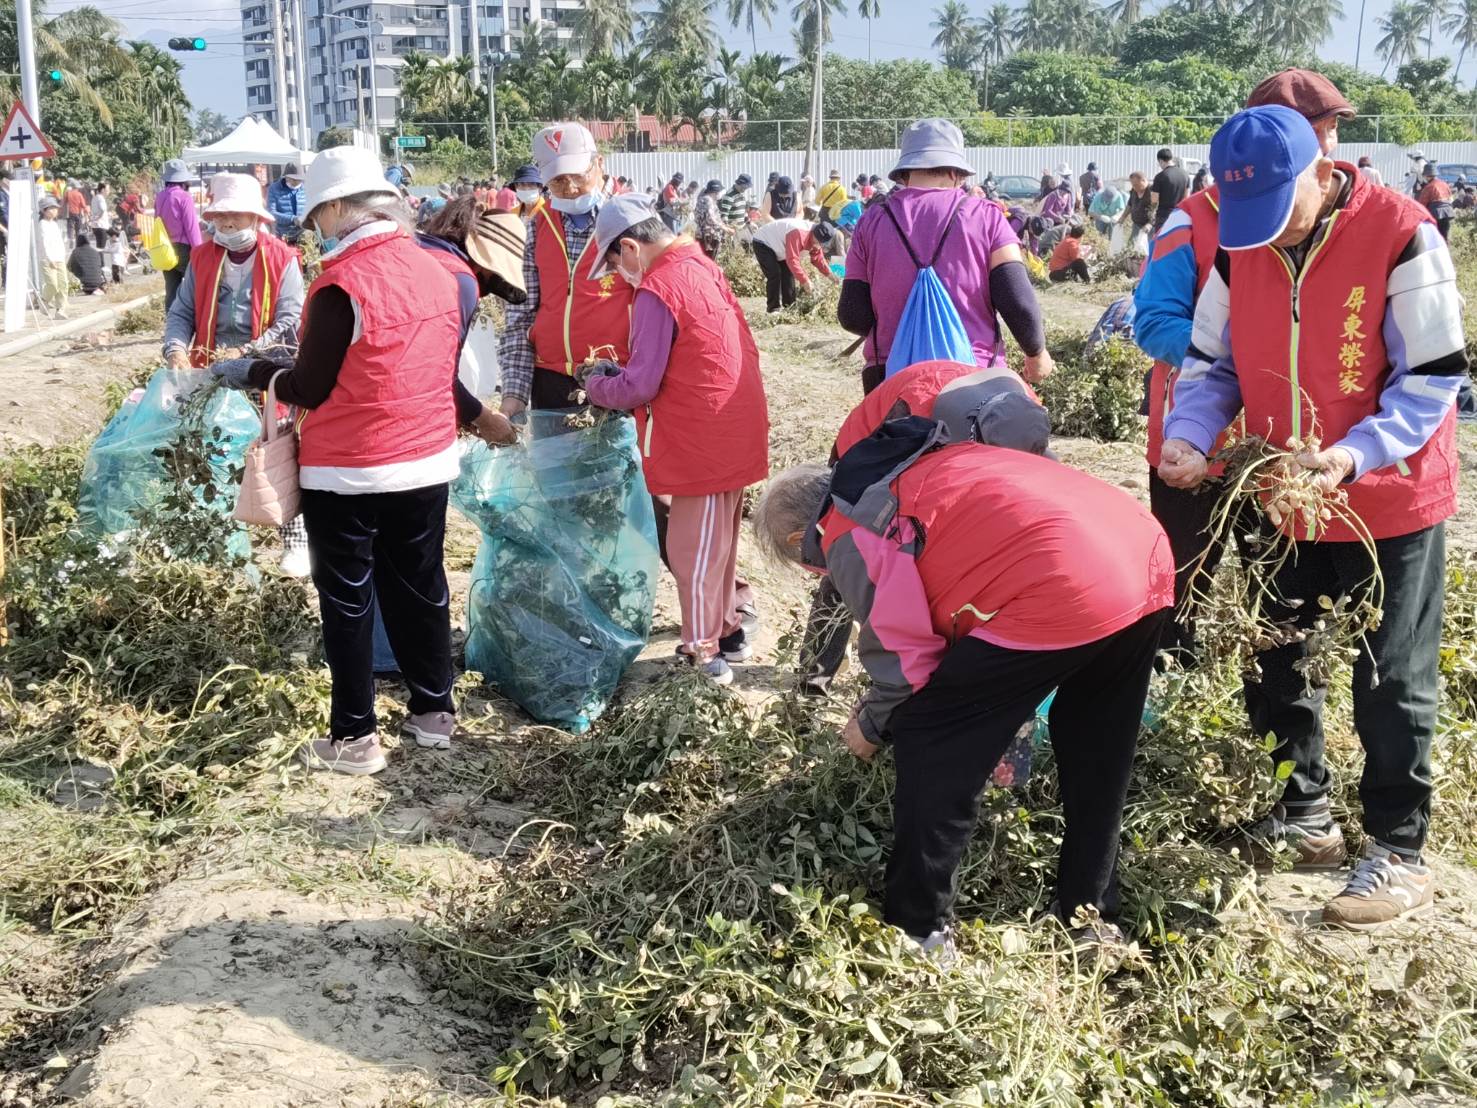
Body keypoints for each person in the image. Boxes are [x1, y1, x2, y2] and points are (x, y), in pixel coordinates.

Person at [1160, 106, 1468, 928]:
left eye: (1280, 207)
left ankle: (1397, 849)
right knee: (1272, 658)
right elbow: (1208, 364)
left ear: (1322, 169)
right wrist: (1188, 437)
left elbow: (1433, 379)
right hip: (1276, 490)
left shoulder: (1403, 235)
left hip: (1383, 497)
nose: (1265, 234)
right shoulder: (1239, 245)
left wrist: (1350, 454)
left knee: (1389, 676)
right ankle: (1305, 815)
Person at [755, 426, 1174, 956]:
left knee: (930, 737)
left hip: (1064, 578)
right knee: (1097, 744)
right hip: (1141, 550)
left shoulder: (846, 527)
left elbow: (906, 664)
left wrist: (870, 724)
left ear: (799, 542)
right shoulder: (910, 467)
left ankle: (917, 929)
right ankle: (1089, 914)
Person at [209, 146, 469, 775]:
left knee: (348, 599)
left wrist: (257, 373)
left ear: (335, 209)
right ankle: (434, 711)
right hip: (427, 459)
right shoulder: (437, 268)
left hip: (349, 468)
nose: (317, 229)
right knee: (422, 584)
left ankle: (354, 738)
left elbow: (311, 388)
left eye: (319, 215)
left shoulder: (339, 286)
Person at [1136, 66, 1354, 662]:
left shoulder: (1335, 221)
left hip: (1283, 451)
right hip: (1193, 447)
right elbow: (1153, 321)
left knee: (1277, 599)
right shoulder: (1193, 220)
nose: (1326, 144)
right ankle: (1170, 691)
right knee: (1182, 588)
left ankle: (1260, 704)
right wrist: (1239, 358)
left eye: (1330, 129)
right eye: (1316, 128)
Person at [578, 196, 770, 684]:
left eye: (616, 264)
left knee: (694, 551)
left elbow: (641, 385)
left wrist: (596, 384)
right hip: (730, 426)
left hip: (700, 435)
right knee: (717, 544)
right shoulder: (700, 266)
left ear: (630, 247)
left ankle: (704, 654)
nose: (620, 275)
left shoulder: (660, 288)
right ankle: (727, 631)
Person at [798, 359, 1053, 696]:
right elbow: (873, 515)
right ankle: (812, 686)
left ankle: (933, 684)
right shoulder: (911, 420)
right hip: (869, 465)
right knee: (850, 568)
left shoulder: (1023, 417)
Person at [161, 173, 311, 575]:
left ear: (256, 219)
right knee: (215, 450)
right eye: (221, 220)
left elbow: (290, 319)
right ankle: (217, 537)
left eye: (236, 220)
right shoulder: (202, 258)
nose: (227, 228)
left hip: (267, 370)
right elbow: (181, 312)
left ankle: (294, 539)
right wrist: (175, 347)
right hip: (212, 370)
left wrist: (247, 351)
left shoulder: (283, 259)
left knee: (278, 451)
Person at [839, 119, 1052, 394]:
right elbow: (1016, 299)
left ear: (904, 172)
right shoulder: (987, 216)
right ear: (956, 172)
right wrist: (1036, 353)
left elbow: (852, 315)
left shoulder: (871, 222)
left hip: (889, 380)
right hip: (972, 379)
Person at [499, 123, 635, 417]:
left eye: (578, 176)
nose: (570, 189)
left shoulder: (629, 224)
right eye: (558, 181)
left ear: (599, 164)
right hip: (550, 380)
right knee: (554, 463)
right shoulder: (536, 228)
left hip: (615, 378)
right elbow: (520, 316)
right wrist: (514, 394)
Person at [751, 216, 838, 312]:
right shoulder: (798, 232)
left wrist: (830, 275)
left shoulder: (817, 239)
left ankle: (790, 307)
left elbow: (817, 258)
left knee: (788, 274)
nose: (818, 244)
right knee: (775, 273)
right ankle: (773, 308)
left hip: (780, 246)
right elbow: (792, 259)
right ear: (814, 233)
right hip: (763, 242)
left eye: (821, 243)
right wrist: (804, 280)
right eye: (818, 241)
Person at [155, 159, 202, 311]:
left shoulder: (160, 196)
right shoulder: (184, 196)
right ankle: (193, 324)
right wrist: (199, 250)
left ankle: (171, 326)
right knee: (194, 287)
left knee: (171, 289)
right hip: (183, 248)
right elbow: (191, 226)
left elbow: (157, 221)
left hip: (165, 248)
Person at [36, 196, 69, 315]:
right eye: (52, 208)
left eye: (56, 208)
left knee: (63, 284)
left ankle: (60, 309)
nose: (55, 211)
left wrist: (63, 256)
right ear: (44, 210)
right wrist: (50, 258)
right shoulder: (42, 224)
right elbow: (45, 243)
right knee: (52, 284)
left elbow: (60, 242)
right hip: (47, 259)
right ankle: (44, 300)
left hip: (59, 258)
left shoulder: (55, 224)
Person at [1149, 148, 1189, 235]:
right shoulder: (1185, 174)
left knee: (1161, 243)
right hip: (1179, 215)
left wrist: (1152, 212)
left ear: (1160, 161)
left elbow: (1154, 199)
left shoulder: (1160, 177)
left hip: (1164, 216)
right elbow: (1187, 197)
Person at [266, 163, 306, 241]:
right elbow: (271, 213)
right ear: (286, 177)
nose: (297, 182)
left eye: (299, 179)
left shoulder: (305, 188)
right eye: (294, 179)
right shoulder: (274, 189)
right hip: (284, 235)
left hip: (304, 234)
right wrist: (292, 219)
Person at [1417, 162, 1454, 240]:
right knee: (1445, 237)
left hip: (1435, 213)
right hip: (1448, 212)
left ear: (1427, 176)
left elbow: (1421, 204)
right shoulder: (1444, 184)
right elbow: (1451, 199)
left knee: (1435, 237)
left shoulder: (1429, 187)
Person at [68, 230, 108, 295]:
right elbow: (102, 265)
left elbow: (69, 267)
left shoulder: (75, 252)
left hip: (84, 285)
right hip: (98, 283)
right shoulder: (95, 251)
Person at [694, 178, 727, 258]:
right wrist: (725, 228)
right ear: (715, 191)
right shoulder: (708, 201)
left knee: (702, 259)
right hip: (709, 237)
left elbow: (696, 217)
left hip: (701, 235)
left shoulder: (702, 200)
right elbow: (711, 219)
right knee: (708, 261)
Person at [1125, 172, 1153, 254]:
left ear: (1143, 180)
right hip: (1136, 225)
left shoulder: (1152, 191)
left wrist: (1150, 224)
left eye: (1136, 185)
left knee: (1147, 249)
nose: (1134, 187)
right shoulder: (1134, 190)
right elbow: (1130, 204)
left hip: (1149, 227)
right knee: (1131, 247)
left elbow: (1157, 209)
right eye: (1132, 185)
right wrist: (1122, 218)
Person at [89, 182, 113, 248]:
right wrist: (99, 217)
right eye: (108, 190)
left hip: (95, 225)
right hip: (101, 225)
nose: (109, 191)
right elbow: (103, 209)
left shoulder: (95, 197)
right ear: (102, 190)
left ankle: (98, 258)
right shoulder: (101, 198)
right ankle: (100, 258)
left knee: (99, 247)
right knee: (101, 248)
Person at [64, 179, 87, 246]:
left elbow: (64, 202)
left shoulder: (68, 193)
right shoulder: (79, 194)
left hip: (70, 212)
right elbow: (83, 205)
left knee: (70, 227)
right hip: (78, 213)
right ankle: (77, 241)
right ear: (77, 187)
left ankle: (71, 239)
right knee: (78, 227)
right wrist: (86, 211)